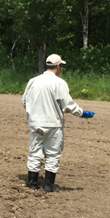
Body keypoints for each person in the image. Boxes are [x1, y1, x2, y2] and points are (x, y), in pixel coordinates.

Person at [22, 54, 95, 192]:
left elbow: (25, 101)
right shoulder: (59, 83)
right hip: (53, 124)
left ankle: (32, 183)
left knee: (35, 151)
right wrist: (82, 113)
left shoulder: (33, 81)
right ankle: (49, 185)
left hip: (35, 123)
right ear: (58, 66)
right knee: (53, 153)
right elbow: (67, 105)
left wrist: (34, 113)